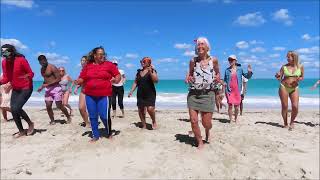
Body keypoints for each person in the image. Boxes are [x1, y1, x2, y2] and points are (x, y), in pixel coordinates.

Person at [75, 46, 120, 142]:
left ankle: (108, 132)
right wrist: (78, 81)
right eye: (100, 54)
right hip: (90, 95)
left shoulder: (109, 65)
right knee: (93, 116)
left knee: (104, 116)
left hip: (104, 95)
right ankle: (95, 135)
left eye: (103, 54)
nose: (102, 55)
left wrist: (117, 79)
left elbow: (117, 75)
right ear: (95, 56)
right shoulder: (88, 66)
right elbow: (82, 78)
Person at [185, 37, 220, 149]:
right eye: (198, 44)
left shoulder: (213, 60)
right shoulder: (193, 61)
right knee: (194, 120)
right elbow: (189, 74)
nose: (200, 46)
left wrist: (217, 79)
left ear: (207, 47)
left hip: (208, 94)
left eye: (202, 44)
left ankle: (207, 131)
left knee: (206, 123)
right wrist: (188, 78)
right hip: (193, 94)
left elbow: (218, 73)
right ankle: (200, 141)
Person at [0, 44, 35, 137]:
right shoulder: (4, 62)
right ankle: (22, 131)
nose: (5, 57)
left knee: (16, 108)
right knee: (14, 109)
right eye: (3, 54)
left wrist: (25, 78)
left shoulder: (21, 60)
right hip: (16, 88)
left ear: (12, 52)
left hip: (26, 87)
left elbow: (31, 73)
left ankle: (30, 124)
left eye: (7, 53)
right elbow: (6, 78)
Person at [37, 55, 71, 125]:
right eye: (41, 63)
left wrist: (47, 84)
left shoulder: (52, 67)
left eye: (44, 61)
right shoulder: (41, 69)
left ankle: (68, 117)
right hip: (48, 89)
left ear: (46, 60)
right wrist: (41, 86)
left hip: (56, 88)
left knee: (59, 105)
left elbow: (58, 79)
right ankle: (52, 120)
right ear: (39, 63)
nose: (43, 63)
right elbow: (45, 80)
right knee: (48, 105)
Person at [275, 51, 304, 131]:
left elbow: (302, 77)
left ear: (294, 57)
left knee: (295, 106)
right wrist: (277, 76)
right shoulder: (284, 67)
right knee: (285, 106)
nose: (287, 58)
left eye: (289, 57)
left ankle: (292, 122)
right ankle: (285, 123)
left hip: (294, 88)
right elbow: (279, 78)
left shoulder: (300, 66)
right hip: (284, 87)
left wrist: (299, 79)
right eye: (287, 57)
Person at [128, 57, 158, 130]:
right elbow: (135, 82)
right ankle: (144, 125)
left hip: (150, 93)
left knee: (150, 109)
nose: (142, 62)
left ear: (149, 63)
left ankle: (153, 121)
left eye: (144, 61)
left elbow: (156, 81)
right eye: (142, 61)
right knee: (141, 109)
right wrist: (131, 91)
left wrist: (151, 71)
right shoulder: (138, 72)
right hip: (140, 93)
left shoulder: (152, 70)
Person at [224, 55, 252, 123]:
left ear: (235, 61)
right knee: (230, 106)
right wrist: (222, 84)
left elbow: (247, 76)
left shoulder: (240, 69)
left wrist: (249, 72)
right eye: (229, 60)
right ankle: (230, 119)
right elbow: (225, 80)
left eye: (232, 60)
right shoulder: (227, 70)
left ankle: (236, 119)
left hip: (237, 91)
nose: (230, 61)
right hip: (229, 90)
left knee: (237, 106)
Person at [73, 56, 90, 127]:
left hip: (92, 92)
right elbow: (81, 81)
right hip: (83, 91)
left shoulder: (90, 69)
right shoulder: (81, 71)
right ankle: (87, 122)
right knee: (81, 108)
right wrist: (76, 87)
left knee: (92, 109)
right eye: (81, 60)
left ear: (87, 61)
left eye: (84, 60)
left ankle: (91, 121)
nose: (82, 62)